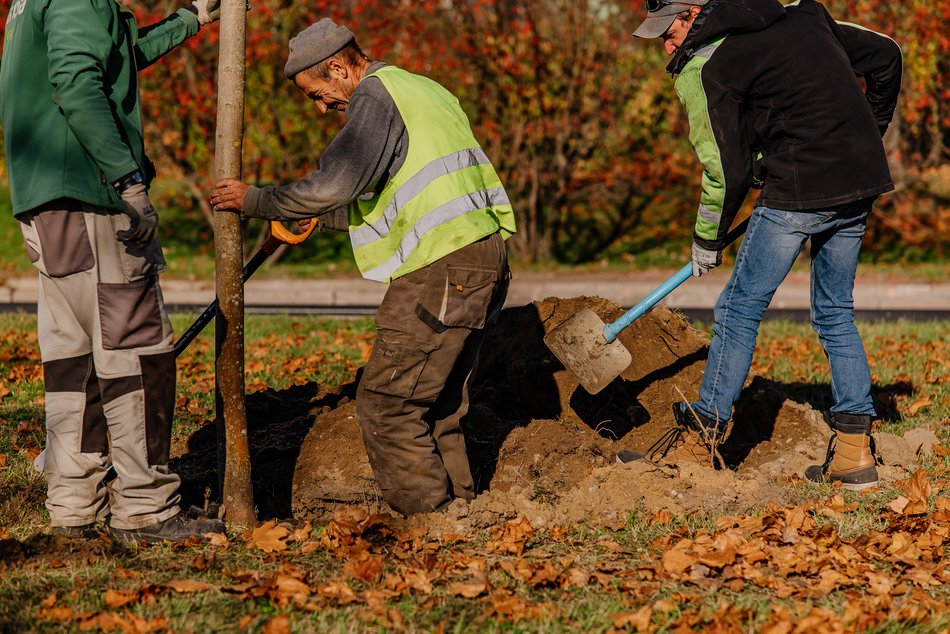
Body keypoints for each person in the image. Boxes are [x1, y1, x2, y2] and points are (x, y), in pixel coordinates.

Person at [211, 18, 517, 515]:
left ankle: (428, 528)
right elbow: (388, 191)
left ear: (338, 67)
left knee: (387, 405)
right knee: (437, 407)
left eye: (317, 92)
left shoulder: (374, 95)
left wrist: (260, 200)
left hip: (441, 264)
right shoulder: (422, 88)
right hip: (481, 258)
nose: (321, 106)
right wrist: (314, 215)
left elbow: (337, 182)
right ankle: (462, 521)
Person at [621, 0, 901, 490]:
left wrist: (707, 239)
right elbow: (887, 55)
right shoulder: (803, 15)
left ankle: (701, 436)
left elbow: (722, 170)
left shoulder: (710, 67)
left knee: (739, 308)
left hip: (798, 191)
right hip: (860, 178)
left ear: (693, 13)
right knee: (835, 311)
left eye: (669, 30)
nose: (666, 44)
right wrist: (867, 135)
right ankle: (855, 456)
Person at [0, 0, 239, 542]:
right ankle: (146, 506)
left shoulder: (32, 6)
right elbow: (78, 84)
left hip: (46, 201)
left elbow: (116, 59)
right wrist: (128, 179)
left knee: (73, 359)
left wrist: (190, 20)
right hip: (92, 194)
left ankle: (72, 503)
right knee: (137, 351)